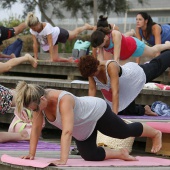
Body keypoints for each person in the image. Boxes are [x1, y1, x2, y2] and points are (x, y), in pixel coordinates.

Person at [15, 81, 162, 165]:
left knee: (123, 132)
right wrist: (31, 154)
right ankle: (120, 153)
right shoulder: (38, 105)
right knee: (90, 155)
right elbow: (35, 129)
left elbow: (67, 131)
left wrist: (63, 159)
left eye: (34, 108)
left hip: (96, 113)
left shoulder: (63, 100)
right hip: (83, 127)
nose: (34, 111)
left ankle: (155, 133)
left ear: (42, 99)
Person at [78, 50, 170, 115]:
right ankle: (145, 110)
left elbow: (115, 92)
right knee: (122, 109)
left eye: (95, 72)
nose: (94, 75)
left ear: (97, 64)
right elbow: (92, 91)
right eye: (92, 75)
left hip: (135, 75)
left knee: (157, 65)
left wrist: (114, 117)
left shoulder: (110, 67)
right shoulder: (91, 73)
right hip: (125, 88)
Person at [25, 12, 94, 62]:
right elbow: (35, 44)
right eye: (32, 28)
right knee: (55, 59)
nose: (33, 30)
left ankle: (85, 27)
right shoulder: (32, 30)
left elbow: (50, 44)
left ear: (38, 24)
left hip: (59, 33)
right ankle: (69, 60)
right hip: (54, 40)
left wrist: (51, 59)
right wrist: (35, 58)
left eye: (34, 28)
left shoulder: (47, 27)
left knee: (73, 35)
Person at [0, 53, 37, 143]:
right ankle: (21, 135)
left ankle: (22, 135)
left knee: (23, 98)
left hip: (5, 97)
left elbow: (8, 65)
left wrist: (26, 58)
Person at [90, 27, 170, 63]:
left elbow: (116, 58)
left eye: (100, 46)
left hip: (134, 47)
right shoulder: (100, 43)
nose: (100, 48)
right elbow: (100, 60)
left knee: (153, 52)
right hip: (124, 54)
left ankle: (167, 45)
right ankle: (131, 32)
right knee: (124, 37)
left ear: (104, 39)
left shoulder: (115, 35)